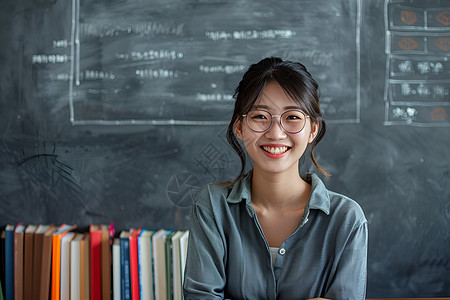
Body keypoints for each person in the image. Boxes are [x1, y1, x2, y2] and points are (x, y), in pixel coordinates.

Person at [183, 57, 368, 300]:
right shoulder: (212, 207)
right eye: (260, 116)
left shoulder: (346, 220)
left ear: (313, 129)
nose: (276, 133)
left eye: (292, 117)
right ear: (239, 127)